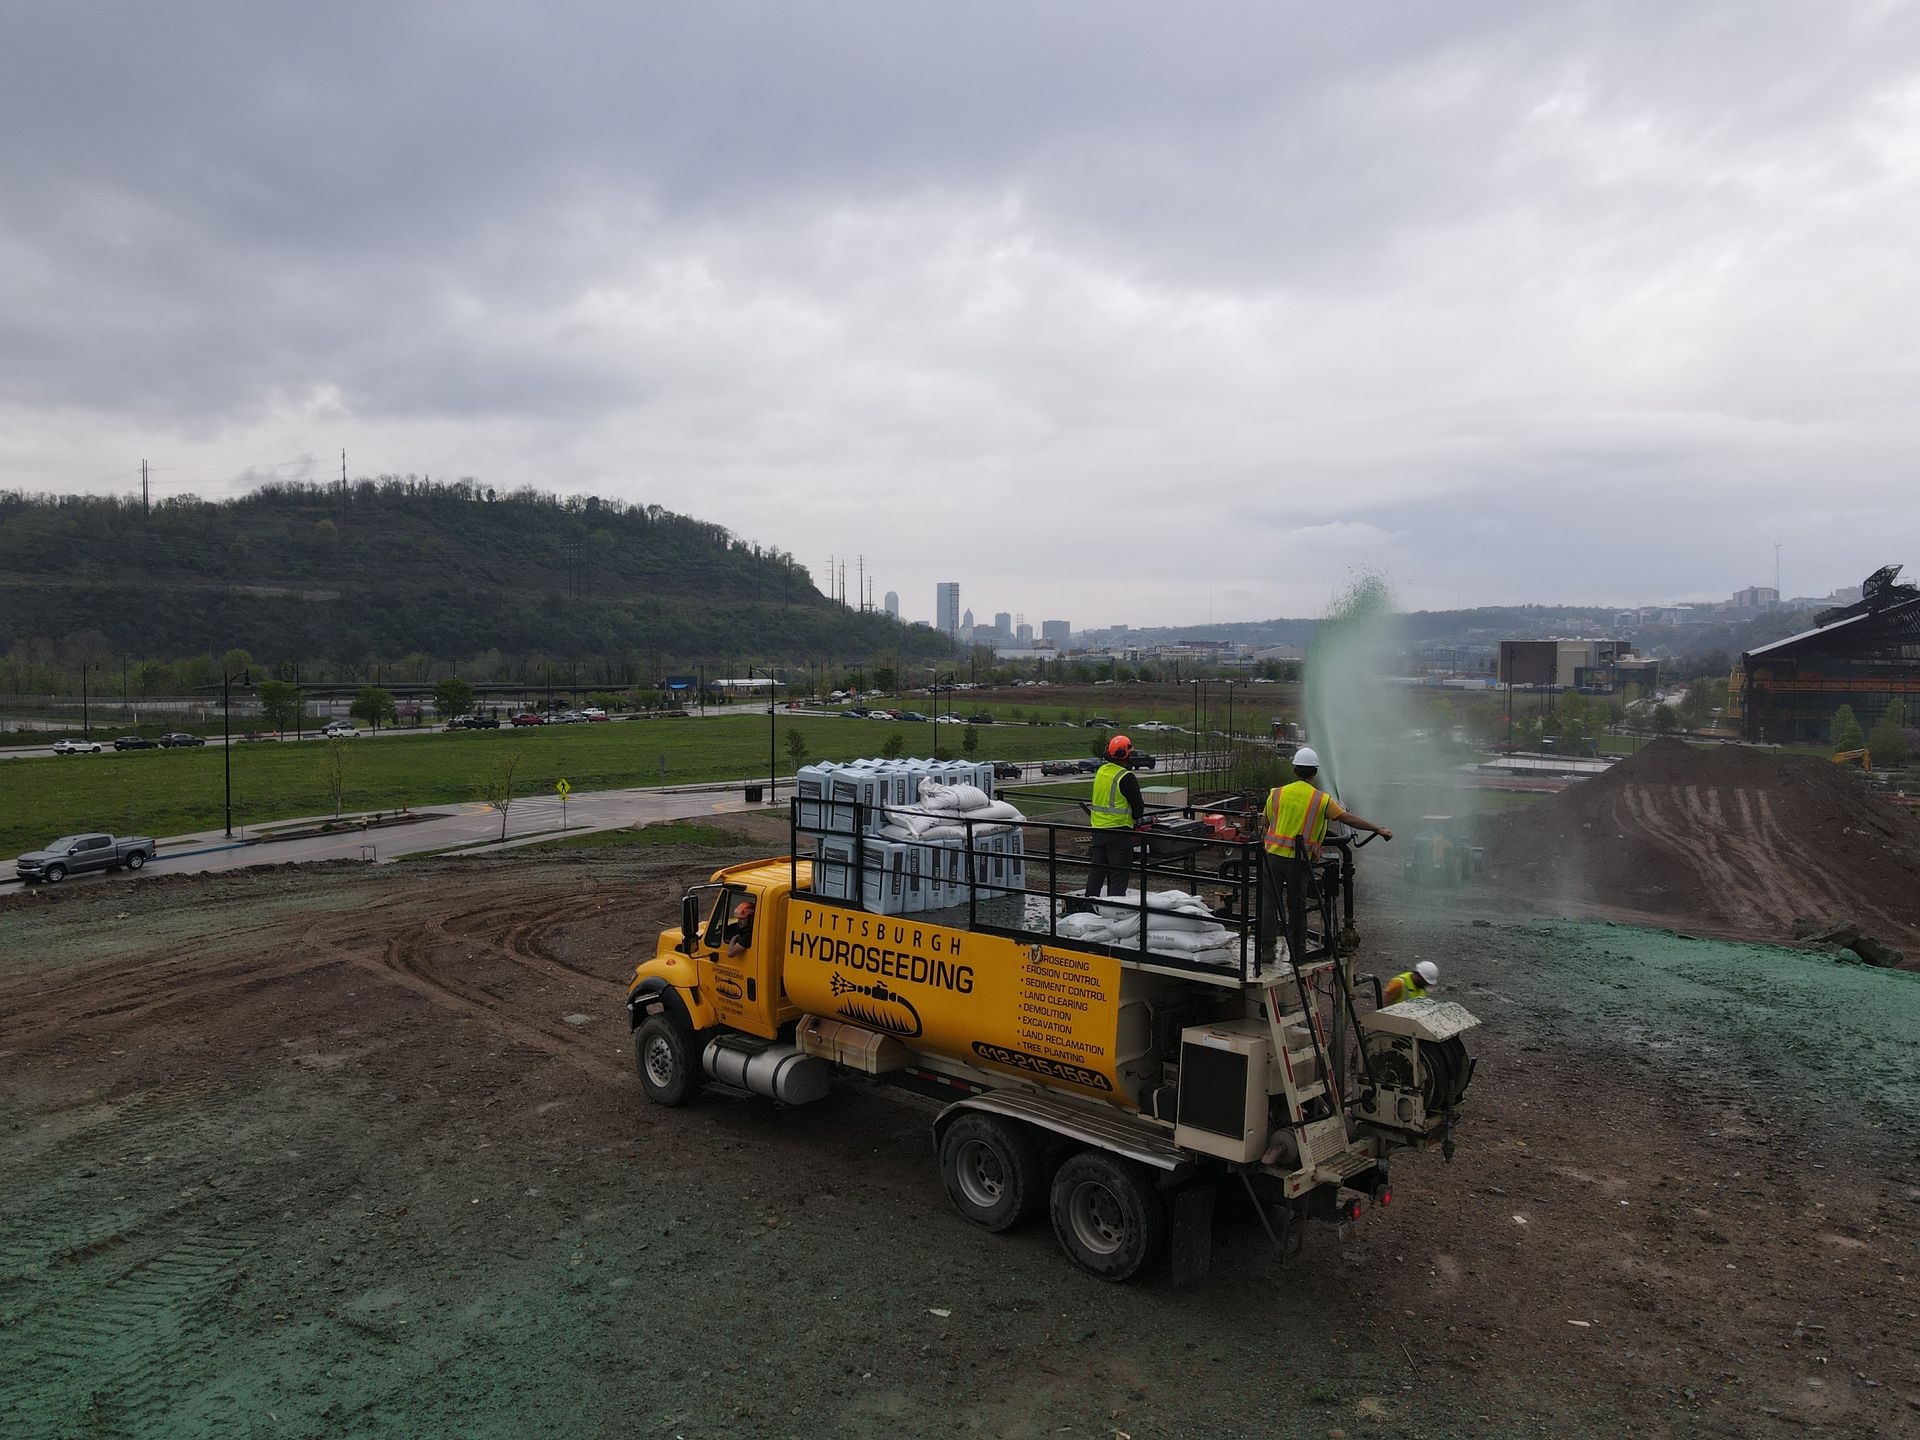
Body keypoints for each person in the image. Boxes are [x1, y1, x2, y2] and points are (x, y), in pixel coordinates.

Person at [1258, 745, 1394, 960]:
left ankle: (1266, 950)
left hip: (1272, 855)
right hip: (1299, 861)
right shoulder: (1321, 800)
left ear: (1294, 769)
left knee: (1268, 902)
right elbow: (1348, 819)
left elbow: (1265, 821)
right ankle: (1297, 952)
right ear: (1315, 772)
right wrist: (1377, 828)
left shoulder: (1277, 793)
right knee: (1297, 905)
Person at [1085, 734, 1145, 898]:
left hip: (1098, 832)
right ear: (1125, 755)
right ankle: (1114, 911)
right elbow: (1139, 809)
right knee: (1118, 875)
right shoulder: (1126, 777)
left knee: (1096, 874)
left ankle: (1089, 907)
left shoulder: (1101, 771)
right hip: (1119, 834)